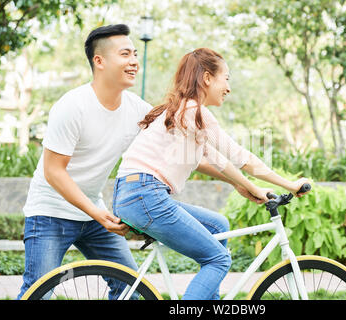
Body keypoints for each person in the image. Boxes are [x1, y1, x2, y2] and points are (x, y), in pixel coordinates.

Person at [16, 24, 256, 300]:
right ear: (100, 61)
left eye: (135, 54)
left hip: (95, 213)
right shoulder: (72, 106)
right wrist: (96, 213)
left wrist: (236, 182)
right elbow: (53, 172)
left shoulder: (137, 110)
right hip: (50, 213)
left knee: (129, 290)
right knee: (37, 292)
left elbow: (184, 154)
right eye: (125, 54)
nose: (134, 61)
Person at [113, 47, 311, 300]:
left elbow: (218, 162)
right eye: (226, 78)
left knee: (218, 226)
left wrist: (244, 186)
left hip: (135, 194)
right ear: (207, 78)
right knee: (218, 260)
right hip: (146, 196)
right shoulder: (195, 112)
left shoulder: (181, 111)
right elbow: (243, 159)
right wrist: (291, 185)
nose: (228, 87)